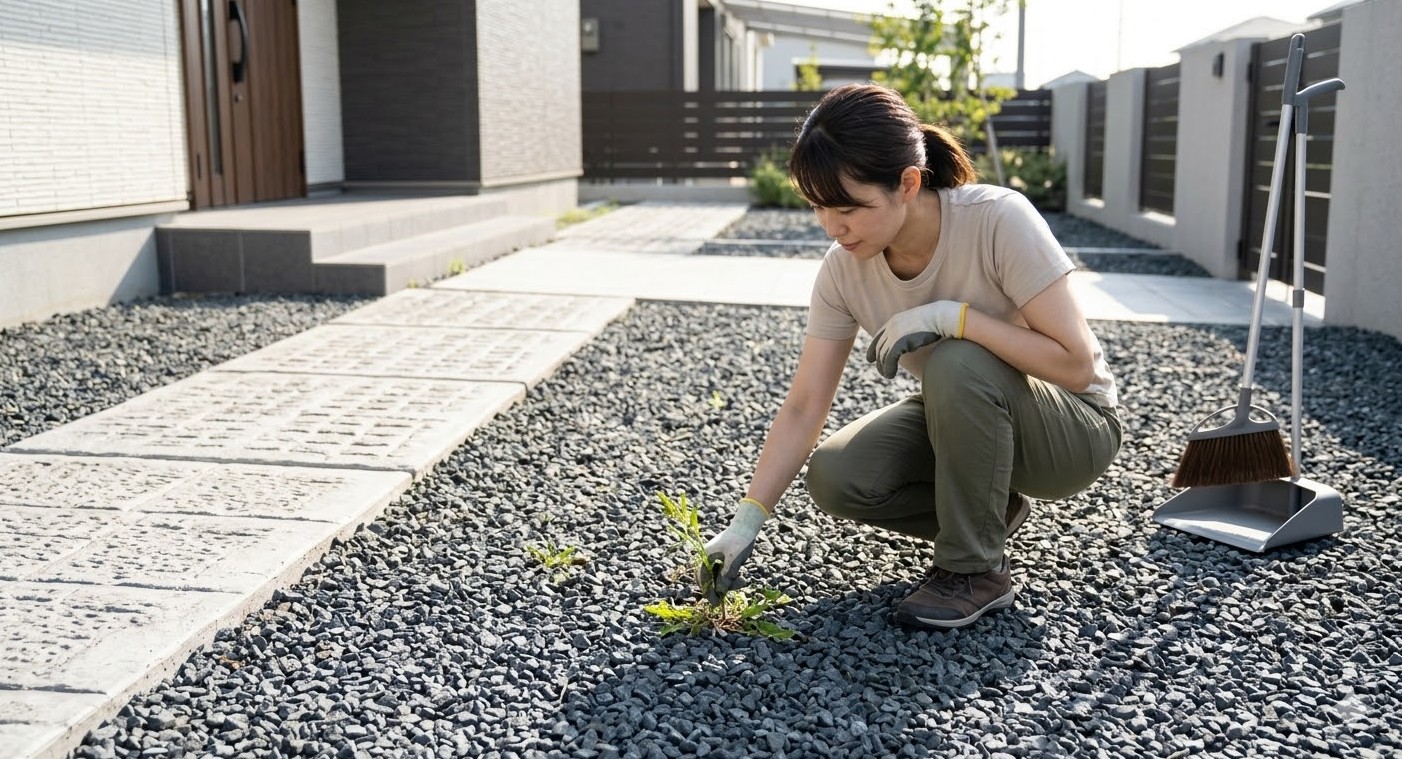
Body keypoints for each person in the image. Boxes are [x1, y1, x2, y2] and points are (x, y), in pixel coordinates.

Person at [697, 83, 1122, 630]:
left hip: (1073, 430)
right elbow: (805, 405)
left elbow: (1075, 365)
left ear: (908, 183)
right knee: (837, 474)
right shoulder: (843, 269)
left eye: (849, 207)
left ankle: (974, 570)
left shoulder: (997, 220)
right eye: (818, 207)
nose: (832, 227)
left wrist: (955, 319)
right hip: (972, 416)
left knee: (954, 359)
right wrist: (744, 523)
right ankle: (993, 514)